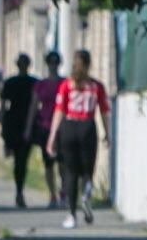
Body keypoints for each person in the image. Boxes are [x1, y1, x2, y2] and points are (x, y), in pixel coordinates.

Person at [45, 48, 109, 225]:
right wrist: (107, 133)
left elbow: (59, 111)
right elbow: (103, 112)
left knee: (70, 172)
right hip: (87, 127)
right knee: (88, 169)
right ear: (89, 65)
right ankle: (86, 192)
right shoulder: (96, 86)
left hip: (69, 128)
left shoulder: (66, 85)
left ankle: (72, 214)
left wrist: (52, 137)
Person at [0, 53, 41, 208]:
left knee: (20, 160)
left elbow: (2, 107)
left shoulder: (12, 82)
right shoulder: (31, 82)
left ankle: (19, 190)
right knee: (21, 160)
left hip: (17, 122)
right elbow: (2, 105)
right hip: (19, 123)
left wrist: (2, 125)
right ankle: (19, 190)